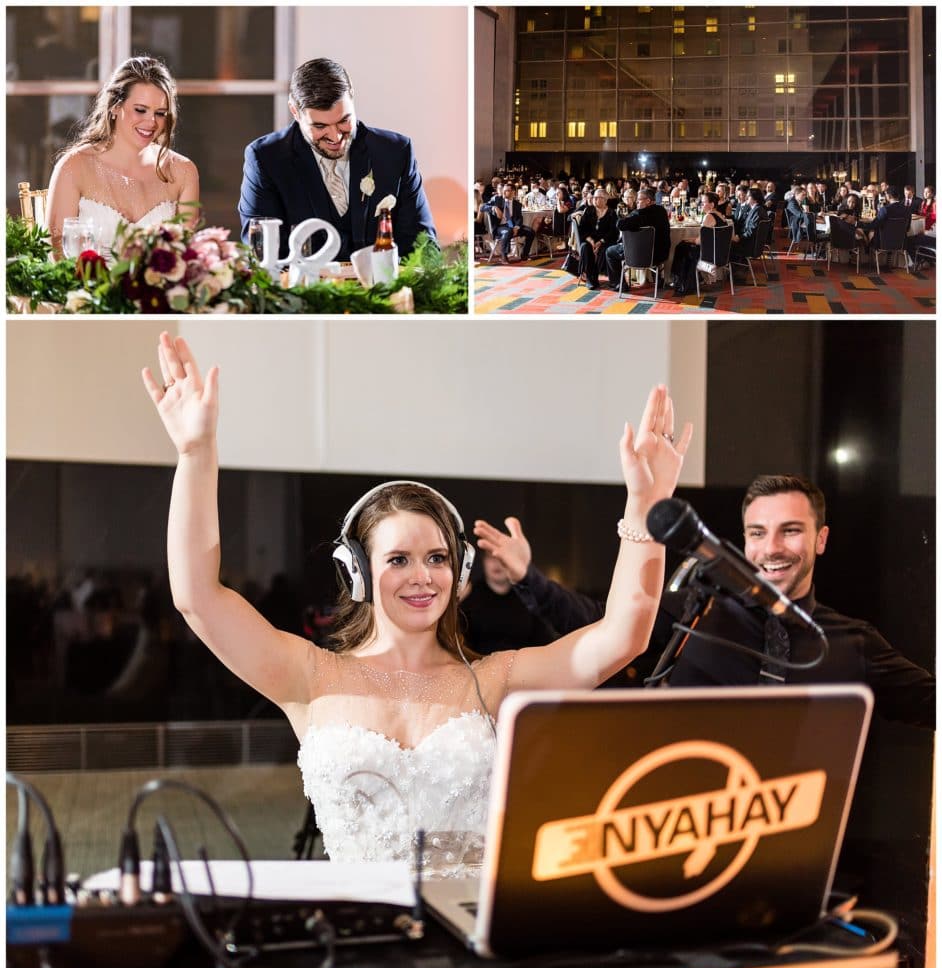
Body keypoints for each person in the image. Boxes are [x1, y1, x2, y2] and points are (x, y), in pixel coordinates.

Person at [141, 332, 692, 876]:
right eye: (398, 559)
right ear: (357, 569)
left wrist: (647, 508)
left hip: (473, 934)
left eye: (437, 558)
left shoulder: (495, 681)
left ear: (460, 571)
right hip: (360, 938)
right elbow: (197, 597)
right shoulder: (307, 675)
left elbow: (625, 636)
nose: (423, 576)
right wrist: (195, 452)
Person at [473, 475, 933, 729]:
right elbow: (597, 624)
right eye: (758, 533)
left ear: (821, 539)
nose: (771, 547)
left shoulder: (854, 644)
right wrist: (526, 577)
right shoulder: (698, 611)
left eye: (790, 531)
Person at [239, 58, 436, 261]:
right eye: (320, 126)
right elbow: (262, 255)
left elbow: (423, 246)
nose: (335, 137)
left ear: (352, 97)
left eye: (344, 121)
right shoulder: (266, 159)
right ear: (294, 111)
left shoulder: (395, 152)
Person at [45, 56, 199, 260]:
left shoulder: (183, 171)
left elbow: (186, 258)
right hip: (84, 289)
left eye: (160, 113)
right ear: (115, 107)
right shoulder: (74, 167)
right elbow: (57, 255)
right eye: (140, 110)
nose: (151, 122)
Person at [603, 187, 670, 290]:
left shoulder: (639, 214)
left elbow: (620, 225)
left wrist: (627, 216)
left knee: (609, 251)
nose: (636, 202)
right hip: (660, 255)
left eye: (639, 200)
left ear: (648, 201)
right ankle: (658, 279)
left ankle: (619, 284)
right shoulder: (662, 211)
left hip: (637, 256)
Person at [669, 191, 727, 296]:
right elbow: (706, 238)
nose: (701, 205)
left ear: (712, 205)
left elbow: (699, 241)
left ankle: (681, 283)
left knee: (681, 247)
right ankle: (685, 282)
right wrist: (690, 239)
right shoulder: (721, 216)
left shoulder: (709, 217)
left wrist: (688, 239)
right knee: (684, 245)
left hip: (708, 255)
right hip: (719, 253)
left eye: (704, 202)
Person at [576, 187, 619, 289]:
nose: (594, 199)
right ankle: (591, 280)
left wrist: (601, 241)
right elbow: (582, 228)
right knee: (585, 248)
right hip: (589, 240)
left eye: (597, 197)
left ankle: (607, 278)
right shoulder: (589, 210)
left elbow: (613, 231)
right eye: (594, 197)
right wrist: (591, 240)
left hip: (605, 241)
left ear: (605, 200)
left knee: (606, 250)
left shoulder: (612, 213)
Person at [481, 183, 534, 264]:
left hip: (512, 226)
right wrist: (493, 207)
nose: (504, 192)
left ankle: (524, 254)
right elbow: (482, 207)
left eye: (507, 191)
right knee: (508, 231)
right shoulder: (497, 199)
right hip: (500, 227)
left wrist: (516, 227)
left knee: (531, 231)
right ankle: (504, 256)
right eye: (503, 190)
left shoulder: (517, 204)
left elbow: (519, 218)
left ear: (513, 192)